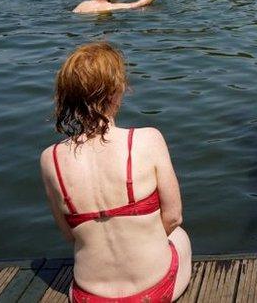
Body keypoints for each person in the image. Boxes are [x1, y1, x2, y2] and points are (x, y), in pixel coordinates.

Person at [39, 42, 191, 302]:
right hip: (153, 293)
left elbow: (68, 234)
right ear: (116, 91)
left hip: (89, 297)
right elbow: (174, 217)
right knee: (180, 235)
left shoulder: (49, 158)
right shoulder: (148, 140)